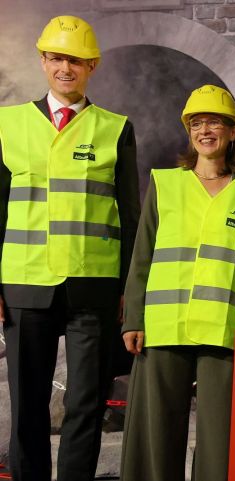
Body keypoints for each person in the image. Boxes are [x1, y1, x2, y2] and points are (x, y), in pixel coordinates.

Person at [0, 15, 139, 481]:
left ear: (92, 65)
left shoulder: (116, 128)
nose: (66, 67)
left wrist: (128, 290)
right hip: (25, 282)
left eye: (76, 60)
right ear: (43, 61)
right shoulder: (8, 124)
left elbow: (130, 215)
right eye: (57, 57)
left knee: (85, 403)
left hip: (93, 287)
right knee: (29, 403)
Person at [119, 85, 235, 481]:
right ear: (189, 132)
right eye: (197, 123)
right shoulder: (165, 184)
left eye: (215, 123)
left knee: (222, 439)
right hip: (164, 326)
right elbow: (143, 255)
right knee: (155, 436)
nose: (206, 131)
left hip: (226, 330)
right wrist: (133, 317)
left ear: (233, 132)